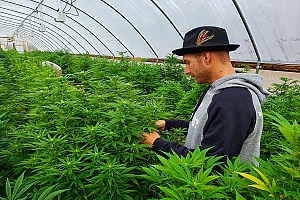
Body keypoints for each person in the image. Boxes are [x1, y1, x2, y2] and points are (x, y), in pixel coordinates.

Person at [142, 26, 270, 165]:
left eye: (188, 63)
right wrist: (168, 124)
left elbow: (211, 162)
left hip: (221, 186)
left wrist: (158, 144)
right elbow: (208, 129)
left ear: (206, 57)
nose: (186, 71)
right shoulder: (218, 90)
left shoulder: (233, 100)